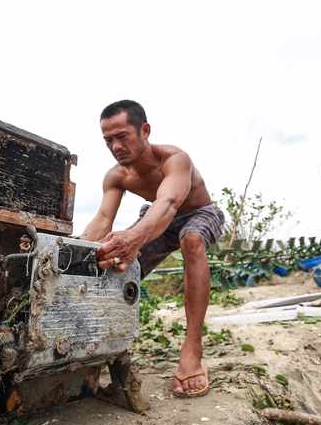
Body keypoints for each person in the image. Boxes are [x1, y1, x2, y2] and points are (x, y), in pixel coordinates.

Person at [82, 100, 224, 397]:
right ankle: (98, 350)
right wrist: (79, 254)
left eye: (122, 136)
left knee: (192, 240)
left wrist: (135, 237)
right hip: (155, 217)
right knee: (116, 265)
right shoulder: (116, 176)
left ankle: (192, 349)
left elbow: (169, 203)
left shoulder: (175, 159)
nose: (115, 146)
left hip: (196, 213)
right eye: (108, 140)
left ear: (144, 130)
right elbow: (103, 219)